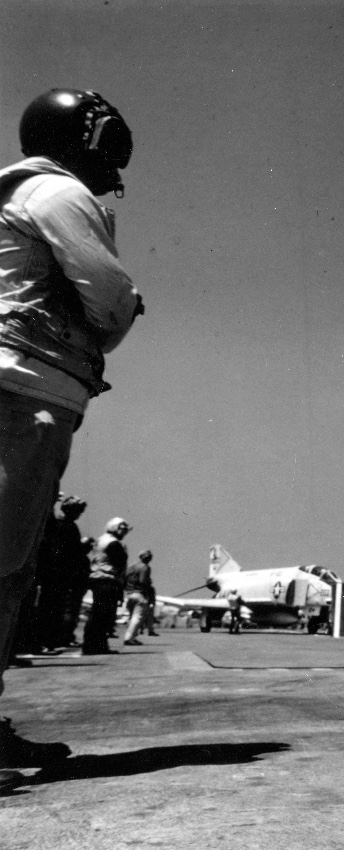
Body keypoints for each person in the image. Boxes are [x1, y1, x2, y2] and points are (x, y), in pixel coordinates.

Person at [0, 89, 140, 772]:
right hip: (26, 391)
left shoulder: (11, 194)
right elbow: (111, 303)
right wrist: (125, 311)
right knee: (2, 564)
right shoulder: (58, 195)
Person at [39, 495, 90, 650]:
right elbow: (68, 552)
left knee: (52, 608)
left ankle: (49, 640)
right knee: (52, 608)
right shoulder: (66, 526)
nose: (79, 514)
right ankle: (47, 641)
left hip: (56, 573)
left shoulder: (60, 524)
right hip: (59, 574)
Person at [84, 518, 131, 655]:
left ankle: (92, 645)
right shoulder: (114, 543)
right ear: (116, 528)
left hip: (97, 578)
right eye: (122, 529)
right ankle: (97, 646)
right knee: (103, 614)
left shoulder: (102, 540)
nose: (124, 533)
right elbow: (120, 562)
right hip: (107, 579)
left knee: (97, 613)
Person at [122, 549, 154, 646]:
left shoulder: (131, 567)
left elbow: (124, 579)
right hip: (139, 594)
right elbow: (143, 581)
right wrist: (149, 589)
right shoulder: (145, 567)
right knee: (137, 618)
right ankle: (129, 638)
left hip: (129, 594)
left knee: (131, 617)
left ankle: (132, 637)